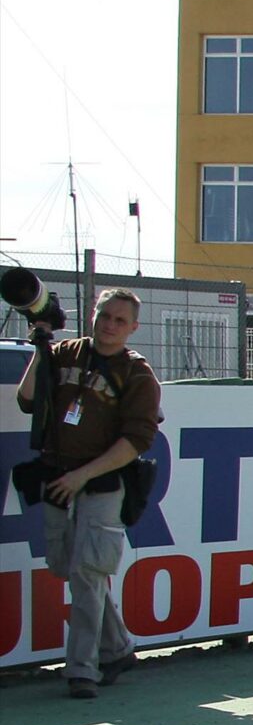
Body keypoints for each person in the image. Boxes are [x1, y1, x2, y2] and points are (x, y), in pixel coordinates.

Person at [15, 288, 158, 698]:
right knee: (66, 567)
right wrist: (42, 346)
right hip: (56, 474)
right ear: (93, 315)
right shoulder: (66, 353)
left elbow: (136, 440)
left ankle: (81, 670)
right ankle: (117, 648)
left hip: (102, 482)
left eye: (119, 320)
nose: (109, 325)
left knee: (88, 572)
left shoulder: (136, 373)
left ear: (133, 328)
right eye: (104, 316)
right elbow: (27, 399)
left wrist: (83, 475)